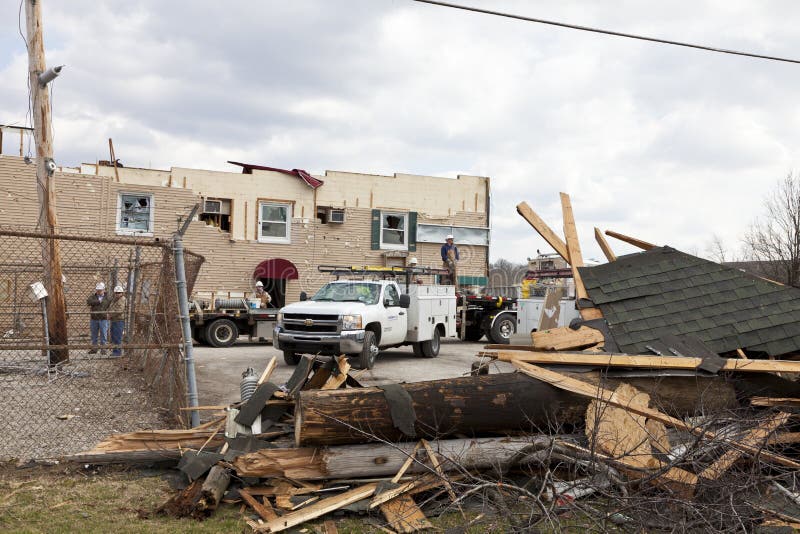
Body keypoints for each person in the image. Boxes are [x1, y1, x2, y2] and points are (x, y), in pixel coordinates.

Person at [86, 282, 109, 354]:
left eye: (100, 290)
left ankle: (103, 349)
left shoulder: (108, 297)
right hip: (94, 319)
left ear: (104, 290)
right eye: (98, 290)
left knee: (103, 334)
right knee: (94, 335)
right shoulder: (93, 296)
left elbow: (110, 305)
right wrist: (98, 301)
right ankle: (94, 349)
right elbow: (89, 302)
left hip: (103, 318)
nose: (99, 292)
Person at [108, 285, 127, 357]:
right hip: (114, 320)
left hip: (119, 320)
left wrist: (110, 314)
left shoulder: (122, 300)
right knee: (113, 336)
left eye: (119, 293)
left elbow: (119, 311)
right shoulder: (114, 299)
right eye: (116, 293)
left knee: (117, 336)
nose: (117, 294)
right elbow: (111, 308)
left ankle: (117, 352)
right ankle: (115, 351)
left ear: (122, 293)